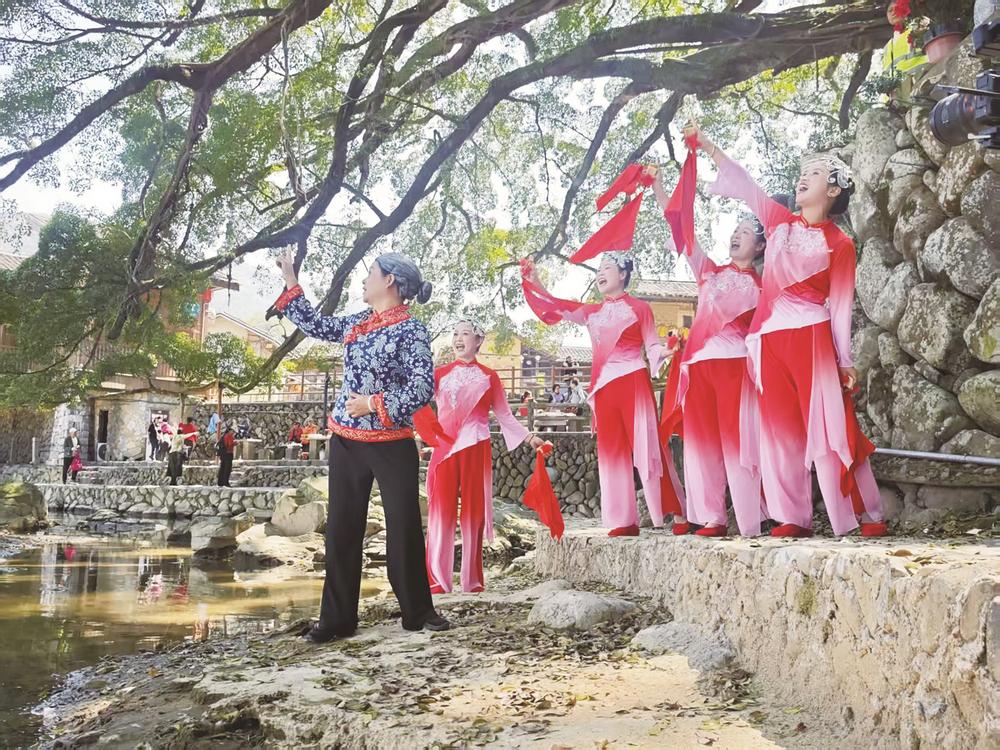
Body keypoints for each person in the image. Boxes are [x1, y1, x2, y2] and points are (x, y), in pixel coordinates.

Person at [687, 121, 886, 538]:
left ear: (833, 190)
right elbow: (743, 183)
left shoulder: (840, 243)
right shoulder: (777, 222)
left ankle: (860, 515)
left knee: (830, 430)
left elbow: (842, 304)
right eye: (803, 173)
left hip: (812, 338)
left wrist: (844, 359)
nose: (803, 179)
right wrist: (707, 143)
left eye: (814, 174)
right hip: (769, 343)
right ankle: (791, 515)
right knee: (779, 432)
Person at [274, 247, 450, 643]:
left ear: (389, 280)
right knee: (342, 529)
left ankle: (418, 612)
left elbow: (423, 387)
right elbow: (317, 326)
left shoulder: (412, 330)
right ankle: (337, 620)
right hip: (347, 440)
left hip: (392, 441)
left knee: (403, 525)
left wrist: (373, 403)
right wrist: (290, 278)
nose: (364, 279)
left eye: (370, 272)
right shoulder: (358, 322)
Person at [521, 253, 686, 536]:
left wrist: (669, 350)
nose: (600, 273)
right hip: (604, 389)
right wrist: (534, 281)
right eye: (598, 269)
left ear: (623, 274)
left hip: (633, 380)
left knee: (647, 448)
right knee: (612, 452)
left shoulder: (640, 308)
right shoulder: (592, 313)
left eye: (607, 268)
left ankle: (674, 512)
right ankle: (623, 520)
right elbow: (558, 307)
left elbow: (653, 347)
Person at [652, 166, 766, 537]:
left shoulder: (763, 285)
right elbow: (681, 230)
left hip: (735, 366)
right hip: (699, 366)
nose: (736, 236)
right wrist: (658, 185)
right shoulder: (709, 272)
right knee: (701, 446)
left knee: (738, 445)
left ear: (761, 246)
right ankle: (710, 517)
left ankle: (750, 522)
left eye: (746, 232)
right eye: (735, 231)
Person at [424, 320, 546, 594]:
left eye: (465, 333)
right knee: (440, 511)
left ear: (478, 341)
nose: (458, 338)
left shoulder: (489, 377)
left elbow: (504, 415)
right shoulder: (439, 374)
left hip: (476, 446)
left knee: (473, 512)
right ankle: (437, 581)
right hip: (444, 448)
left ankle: (472, 581)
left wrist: (529, 437)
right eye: (454, 333)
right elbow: (418, 404)